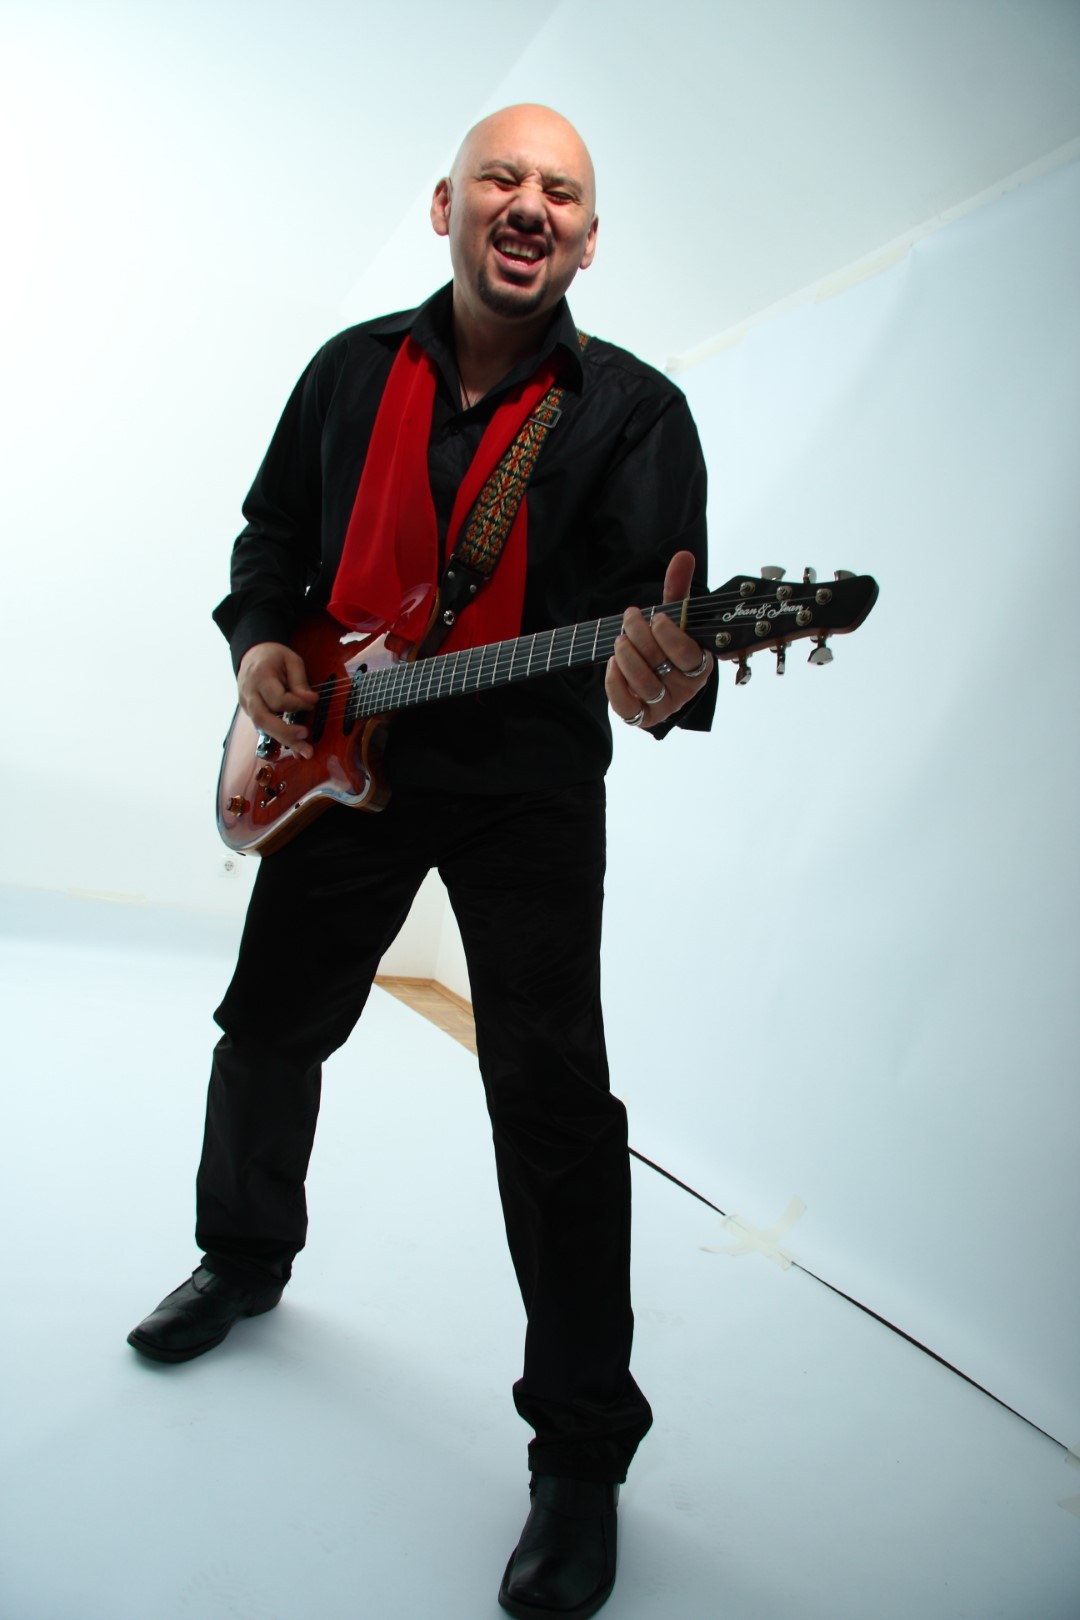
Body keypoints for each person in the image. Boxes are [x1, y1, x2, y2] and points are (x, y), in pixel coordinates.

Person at [127, 103, 716, 1619]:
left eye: (562, 192)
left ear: (589, 237)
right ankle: (243, 1256)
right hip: (346, 762)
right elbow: (271, 537)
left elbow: (658, 641)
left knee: (553, 1107)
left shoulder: (636, 416)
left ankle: (579, 1452)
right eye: (502, 179)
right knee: (268, 1024)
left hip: (527, 792)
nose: (530, 205)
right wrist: (264, 643)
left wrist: (669, 674)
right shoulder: (348, 372)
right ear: (445, 205)